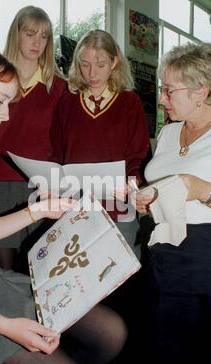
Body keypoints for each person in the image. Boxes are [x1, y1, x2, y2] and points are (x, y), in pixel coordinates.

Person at [0, 41, 128, 364]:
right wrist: (6, 327)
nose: (6, 114)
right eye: (0, 100)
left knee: (111, 333)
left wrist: (37, 210)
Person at [135, 42, 211, 364]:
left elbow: (192, 188)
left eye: (168, 90)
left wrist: (201, 188)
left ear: (201, 92)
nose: (161, 99)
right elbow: (163, 183)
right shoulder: (170, 132)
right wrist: (146, 197)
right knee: (164, 360)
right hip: (163, 254)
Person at [0, 6, 67, 270]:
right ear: (16, 33)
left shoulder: (58, 87)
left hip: (40, 183)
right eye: (30, 34)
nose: (37, 43)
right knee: (2, 267)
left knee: (36, 264)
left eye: (44, 36)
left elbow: (61, 140)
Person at [51, 29, 150, 258]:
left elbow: (138, 155)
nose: (92, 73)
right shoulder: (67, 103)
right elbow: (57, 154)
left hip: (118, 205)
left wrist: (132, 184)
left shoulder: (129, 102)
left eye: (101, 65)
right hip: (76, 204)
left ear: (114, 62)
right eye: (85, 64)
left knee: (119, 277)